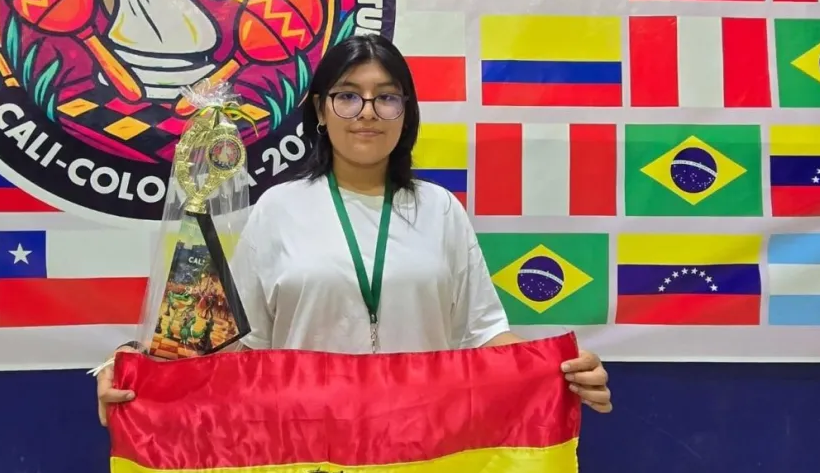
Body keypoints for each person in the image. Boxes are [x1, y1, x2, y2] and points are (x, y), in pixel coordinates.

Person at [96, 34, 611, 425]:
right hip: (305, 446)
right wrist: (138, 368)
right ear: (320, 110)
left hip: (426, 444)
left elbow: (483, 334)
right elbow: (234, 348)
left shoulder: (439, 210)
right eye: (347, 96)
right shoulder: (278, 209)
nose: (367, 112)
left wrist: (558, 369)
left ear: (405, 113)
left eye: (386, 97)